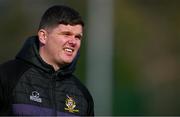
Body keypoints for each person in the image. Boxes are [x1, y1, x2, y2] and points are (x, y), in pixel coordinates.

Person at [0, 5, 94, 116]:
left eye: (78, 37)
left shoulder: (82, 94)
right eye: (66, 34)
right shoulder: (8, 76)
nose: (73, 42)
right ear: (43, 36)